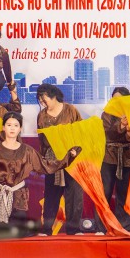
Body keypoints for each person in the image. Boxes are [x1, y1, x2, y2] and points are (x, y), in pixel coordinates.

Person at [35, 84, 86, 234]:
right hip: (52, 159)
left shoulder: (70, 110)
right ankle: (46, 229)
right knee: (51, 194)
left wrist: (76, 150)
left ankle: (73, 228)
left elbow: (81, 132)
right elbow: (41, 139)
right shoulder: (42, 115)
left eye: (44, 98)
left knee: (74, 193)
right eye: (40, 100)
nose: (42, 102)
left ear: (53, 95)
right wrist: (43, 161)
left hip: (72, 157)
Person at [102, 87, 130, 230]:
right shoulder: (107, 114)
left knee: (124, 193)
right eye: (113, 99)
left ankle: (125, 226)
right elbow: (108, 133)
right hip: (109, 155)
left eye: (119, 99)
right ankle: (102, 226)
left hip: (126, 156)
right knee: (105, 192)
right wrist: (122, 124)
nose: (116, 102)